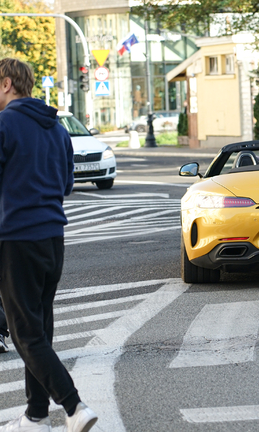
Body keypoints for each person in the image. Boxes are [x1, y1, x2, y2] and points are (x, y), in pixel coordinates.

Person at [0, 59, 98, 432]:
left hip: (15, 238)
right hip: (52, 238)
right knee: (38, 330)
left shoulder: (5, 124)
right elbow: (67, 184)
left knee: (24, 333)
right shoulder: (57, 128)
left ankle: (74, 407)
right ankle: (36, 417)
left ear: (7, 84)